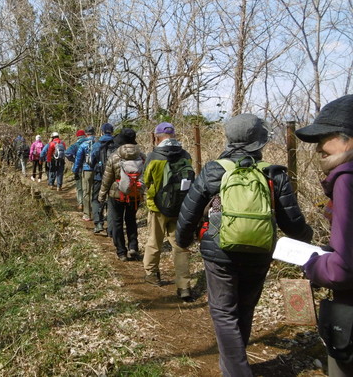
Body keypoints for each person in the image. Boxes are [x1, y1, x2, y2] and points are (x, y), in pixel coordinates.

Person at [175, 113, 313, 377]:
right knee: (245, 308)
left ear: (229, 138)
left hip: (219, 251)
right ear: (260, 141)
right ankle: (234, 364)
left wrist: (183, 240)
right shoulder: (274, 173)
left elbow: (189, 211)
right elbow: (293, 222)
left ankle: (236, 370)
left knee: (223, 312)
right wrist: (309, 239)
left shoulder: (214, 170)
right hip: (260, 250)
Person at [295, 95, 353, 376]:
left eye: (325, 137)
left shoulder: (346, 179)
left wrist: (313, 264)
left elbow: (342, 269)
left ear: (349, 140)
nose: (319, 147)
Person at [142, 122, 193, 301]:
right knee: (180, 245)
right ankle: (184, 286)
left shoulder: (154, 156)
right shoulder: (185, 155)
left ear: (157, 137)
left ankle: (152, 274)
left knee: (154, 241)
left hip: (157, 207)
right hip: (180, 207)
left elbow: (146, 180)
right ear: (174, 135)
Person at [98, 128, 146, 261]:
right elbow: (146, 176)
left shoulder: (114, 157)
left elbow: (107, 179)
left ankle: (121, 252)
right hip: (135, 194)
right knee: (131, 220)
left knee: (117, 222)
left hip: (116, 194)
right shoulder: (142, 156)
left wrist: (101, 195)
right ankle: (133, 247)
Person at [91, 123, 115, 235]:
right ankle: (111, 229)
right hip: (113, 178)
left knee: (96, 199)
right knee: (111, 202)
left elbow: (92, 160)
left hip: (99, 176)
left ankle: (98, 223)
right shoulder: (116, 144)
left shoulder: (97, 144)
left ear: (102, 132)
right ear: (112, 132)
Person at [73, 126, 97, 223]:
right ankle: (97, 214)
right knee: (96, 192)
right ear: (94, 133)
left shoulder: (83, 145)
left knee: (86, 192)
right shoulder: (98, 144)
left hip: (86, 170)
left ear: (86, 134)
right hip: (98, 171)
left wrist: (75, 171)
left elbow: (78, 160)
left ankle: (87, 214)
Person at [66, 129, 88, 210]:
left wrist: (74, 160)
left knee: (79, 187)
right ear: (84, 135)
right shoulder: (89, 144)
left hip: (78, 168)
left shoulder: (75, 145)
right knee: (87, 187)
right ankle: (87, 204)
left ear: (77, 136)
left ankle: (80, 204)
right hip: (88, 168)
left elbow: (67, 153)